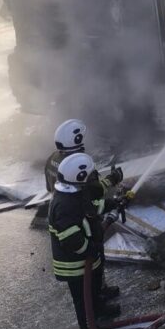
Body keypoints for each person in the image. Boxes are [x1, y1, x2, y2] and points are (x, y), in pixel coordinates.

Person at [45, 119, 123, 300]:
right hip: (83, 219)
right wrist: (112, 179)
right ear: (77, 139)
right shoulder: (76, 165)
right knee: (94, 258)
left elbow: (50, 188)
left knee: (85, 264)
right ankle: (99, 294)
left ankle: (95, 296)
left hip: (63, 213)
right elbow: (94, 191)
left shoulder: (53, 159)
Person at [48, 152, 120, 329]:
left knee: (94, 295)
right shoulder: (63, 205)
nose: (93, 180)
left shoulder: (75, 194)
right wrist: (90, 248)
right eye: (90, 177)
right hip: (75, 266)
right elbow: (71, 239)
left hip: (87, 260)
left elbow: (92, 207)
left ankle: (98, 318)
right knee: (84, 305)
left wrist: (114, 203)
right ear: (80, 178)